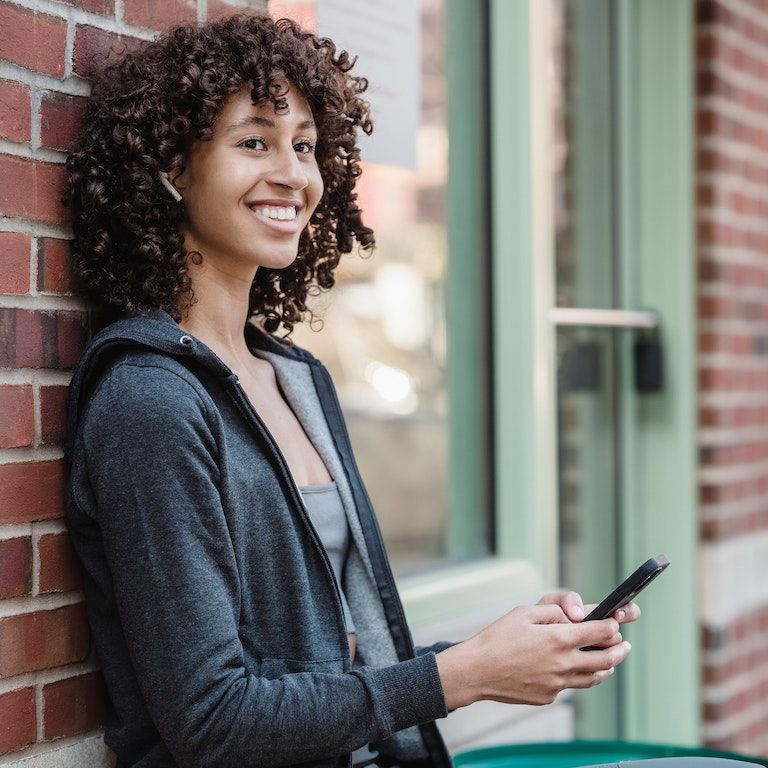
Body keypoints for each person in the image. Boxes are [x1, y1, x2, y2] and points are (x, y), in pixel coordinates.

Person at [63, 13, 636, 768]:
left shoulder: (296, 379)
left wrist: (504, 652)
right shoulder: (151, 401)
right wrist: (461, 676)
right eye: (254, 142)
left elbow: (332, 666)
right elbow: (213, 721)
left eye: (304, 145)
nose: (294, 174)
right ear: (173, 168)